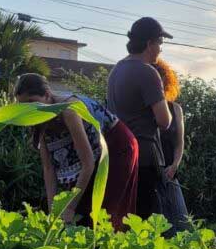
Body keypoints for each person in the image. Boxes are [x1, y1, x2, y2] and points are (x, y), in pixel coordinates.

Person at [14, 73, 138, 230]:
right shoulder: (37, 119)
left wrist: (70, 207)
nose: (29, 109)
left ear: (46, 94)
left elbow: (87, 164)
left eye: (32, 102)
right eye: (23, 105)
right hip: (91, 152)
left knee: (104, 210)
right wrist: (54, 210)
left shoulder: (69, 110)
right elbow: (48, 168)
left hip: (116, 146)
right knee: (81, 209)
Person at [106, 17, 173, 219]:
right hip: (144, 155)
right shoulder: (147, 72)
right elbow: (164, 121)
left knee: (123, 216)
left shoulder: (117, 69)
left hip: (118, 153)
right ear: (149, 43)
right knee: (147, 219)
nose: (160, 50)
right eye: (160, 44)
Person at [152, 58, 190, 234]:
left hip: (170, 172)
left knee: (181, 225)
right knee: (156, 228)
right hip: (148, 172)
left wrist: (175, 164)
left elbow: (179, 142)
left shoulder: (175, 109)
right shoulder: (142, 108)